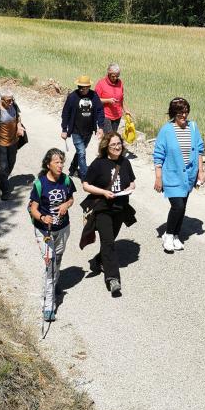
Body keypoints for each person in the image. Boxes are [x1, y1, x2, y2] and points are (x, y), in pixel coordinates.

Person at [82, 131, 136, 297]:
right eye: (113, 145)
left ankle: (99, 260)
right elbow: (86, 185)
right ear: (106, 147)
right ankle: (113, 279)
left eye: (119, 144)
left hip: (120, 208)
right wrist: (103, 193)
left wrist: (130, 188)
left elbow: (132, 181)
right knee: (108, 242)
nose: (117, 147)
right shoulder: (99, 164)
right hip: (103, 208)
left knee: (109, 242)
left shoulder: (125, 162)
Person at [153, 97, 205, 253]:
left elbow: (199, 151)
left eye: (186, 113)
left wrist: (200, 171)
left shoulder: (193, 127)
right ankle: (168, 235)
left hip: (188, 176)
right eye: (180, 114)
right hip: (171, 176)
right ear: (173, 114)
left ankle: (176, 235)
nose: (184, 116)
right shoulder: (166, 130)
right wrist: (158, 177)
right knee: (178, 206)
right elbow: (158, 155)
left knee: (183, 207)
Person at [29, 148, 75, 322]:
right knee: (50, 264)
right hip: (44, 232)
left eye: (62, 161)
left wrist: (66, 205)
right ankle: (49, 306)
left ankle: (54, 283)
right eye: (56, 162)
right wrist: (43, 217)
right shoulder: (40, 184)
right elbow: (33, 208)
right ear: (48, 164)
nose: (60, 165)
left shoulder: (66, 180)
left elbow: (71, 199)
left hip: (63, 229)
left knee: (58, 260)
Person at [60, 75, 105, 180]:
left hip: (89, 130)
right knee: (82, 152)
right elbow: (65, 113)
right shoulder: (72, 97)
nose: (82, 89)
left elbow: (100, 110)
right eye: (80, 86)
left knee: (81, 151)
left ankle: (72, 168)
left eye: (84, 87)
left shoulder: (94, 96)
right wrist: (64, 129)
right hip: (76, 130)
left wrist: (101, 127)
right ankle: (86, 177)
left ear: (89, 86)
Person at [0, 90, 26, 201]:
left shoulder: (14, 105)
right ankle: (6, 191)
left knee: (11, 163)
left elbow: (18, 117)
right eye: (9, 100)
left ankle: (2, 179)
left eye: (12, 100)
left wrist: (19, 126)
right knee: (3, 166)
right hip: (1, 143)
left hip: (13, 142)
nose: (11, 102)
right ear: (2, 100)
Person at [95, 63, 132, 134]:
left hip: (117, 115)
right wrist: (108, 100)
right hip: (105, 115)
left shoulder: (120, 83)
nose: (115, 78)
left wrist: (126, 110)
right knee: (110, 136)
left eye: (117, 76)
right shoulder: (101, 84)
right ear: (108, 73)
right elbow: (95, 100)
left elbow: (121, 98)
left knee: (113, 137)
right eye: (113, 76)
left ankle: (104, 144)